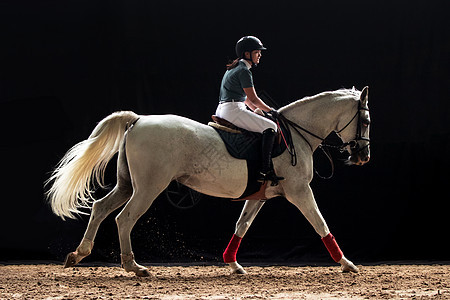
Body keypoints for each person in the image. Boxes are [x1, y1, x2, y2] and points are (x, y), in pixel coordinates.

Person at [215, 36, 284, 184]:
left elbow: (246, 99)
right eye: (257, 52)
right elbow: (253, 99)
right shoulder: (244, 71)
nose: (260, 55)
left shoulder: (234, 67)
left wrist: (255, 111)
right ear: (247, 54)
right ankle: (265, 170)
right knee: (271, 127)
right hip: (233, 110)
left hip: (224, 108)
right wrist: (272, 110)